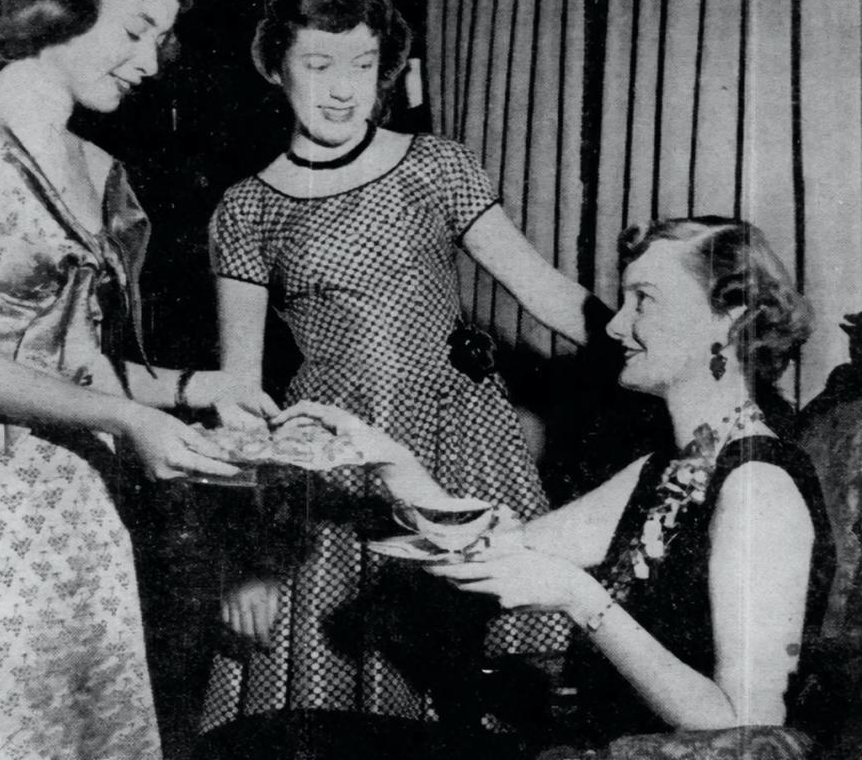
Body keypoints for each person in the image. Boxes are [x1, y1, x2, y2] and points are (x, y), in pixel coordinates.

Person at [201, 0, 607, 732]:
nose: (344, 88)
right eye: (318, 64)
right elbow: (239, 397)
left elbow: (547, 292)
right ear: (275, 65)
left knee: (488, 700)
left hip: (461, 444)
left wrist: (658, 354)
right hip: (329, 482)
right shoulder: (245, 209)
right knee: (339, 709)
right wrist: (250, 562)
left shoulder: (437, 166)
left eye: (363, 63)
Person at [0, 0, 265, 758]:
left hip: (79, 505)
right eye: (134, 31)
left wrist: (189, 391)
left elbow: (80, 363)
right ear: (59, 7)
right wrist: (131, 422)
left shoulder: (100, 170)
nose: (149, 62)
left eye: (162, 40)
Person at [275, 217, 836, 756]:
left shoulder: (759, 487)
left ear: (728, 317)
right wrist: (388, 459)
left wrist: (579, 596)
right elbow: (493, 548)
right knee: (280, 736)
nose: (615, 326)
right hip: (585, 745)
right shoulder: (669, 467)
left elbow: (748, 729)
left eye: (645, 299)